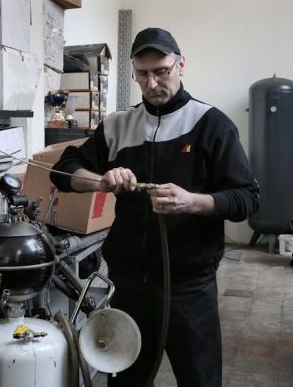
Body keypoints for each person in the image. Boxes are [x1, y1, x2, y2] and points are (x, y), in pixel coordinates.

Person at [50, 27, 259, 386]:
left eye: (161, 71)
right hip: (129, 284)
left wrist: (192, 202)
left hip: (189, 286)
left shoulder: (211, 125)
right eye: (143, 74)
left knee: (200, 379)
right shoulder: (117, 126)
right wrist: (100, 181)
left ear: (181, 65)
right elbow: (62, 170)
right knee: (127, 379)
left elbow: (247, 199)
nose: (152, 83)